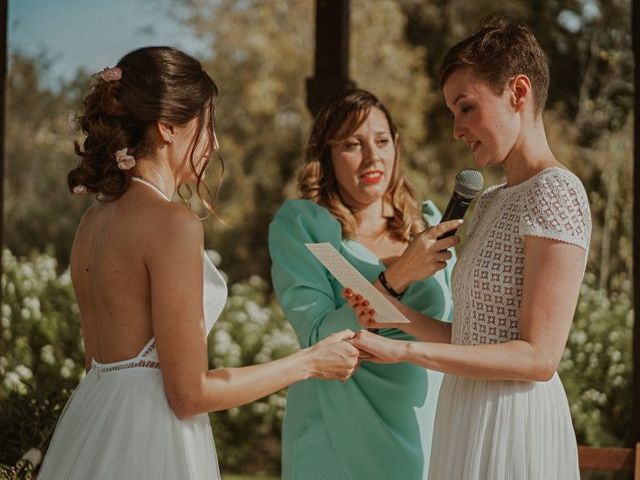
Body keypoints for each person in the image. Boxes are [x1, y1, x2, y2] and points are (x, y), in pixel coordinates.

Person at [37, 46, 360, 480]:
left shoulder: (93, 222)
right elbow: (190, 393)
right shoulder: (173, 224)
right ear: (168, 127)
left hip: (91, 427)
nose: (215, 143)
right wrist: (310, 362)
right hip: (150, 441)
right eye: (207, 125)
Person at [345, 20, 591, 480]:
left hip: (512, 422)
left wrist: (404, 354)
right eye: (453, 112)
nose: (458, 128)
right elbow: (474, 336)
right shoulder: (492, 199)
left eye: (467, 108)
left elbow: (538, 358)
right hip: (464, 412)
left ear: (519, 92)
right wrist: (390, 314)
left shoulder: (556, 191)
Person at [268, 88, 461, 480]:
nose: (373, 157)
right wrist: (398, 276)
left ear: (396, 147)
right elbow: (319, 335)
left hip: (423, 421)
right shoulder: (307, 228)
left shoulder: (426, 223)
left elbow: (458, 332)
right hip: (334, 429)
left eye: (382, 141)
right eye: (353, 144)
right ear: (327, 156)